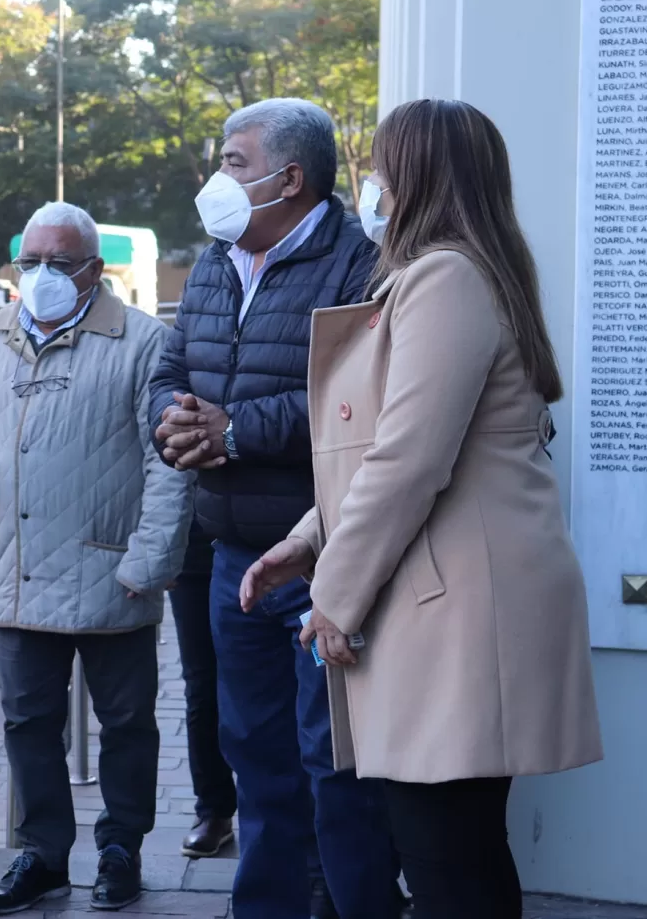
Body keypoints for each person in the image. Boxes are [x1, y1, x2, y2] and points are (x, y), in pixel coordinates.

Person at [241, 98, 604, 919]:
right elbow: (390, 445)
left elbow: (408, 459)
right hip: (462, 603)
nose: (373, 184)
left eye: (383, 166)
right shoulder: (465, 272)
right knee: (457, 849)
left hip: (460, 612)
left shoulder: (445, 277)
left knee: (448, 857)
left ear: (419, 175)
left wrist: (333, 593)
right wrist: (308, 541)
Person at [149, 98, 397, 919]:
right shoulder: (217, 260)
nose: (218, 180)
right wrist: (172, 420)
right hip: (229, 556)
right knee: (251, 750)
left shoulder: (358, 268)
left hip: (317, 557)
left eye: (234, 162)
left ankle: (351, 903)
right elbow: (172, 362)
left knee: (334, 761)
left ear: (289, 179)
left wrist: (236, 433)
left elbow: (356, 403)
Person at [0, 202, 192, 914]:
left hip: (115, 573)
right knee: (26, 723)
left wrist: (151, 559)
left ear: (93, 270)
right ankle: (43, 854)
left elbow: (170, 461)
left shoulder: (144, 342)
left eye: (60, 262)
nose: (42, 275)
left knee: (128, 725)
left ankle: (120, 850)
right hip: (21, 571)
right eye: (31, 261)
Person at [166, 522, 236, 858]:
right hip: (195, 537)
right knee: (202, 686)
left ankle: (290, 814)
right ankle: (214, 810)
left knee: (278, 686)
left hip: (280, 530)